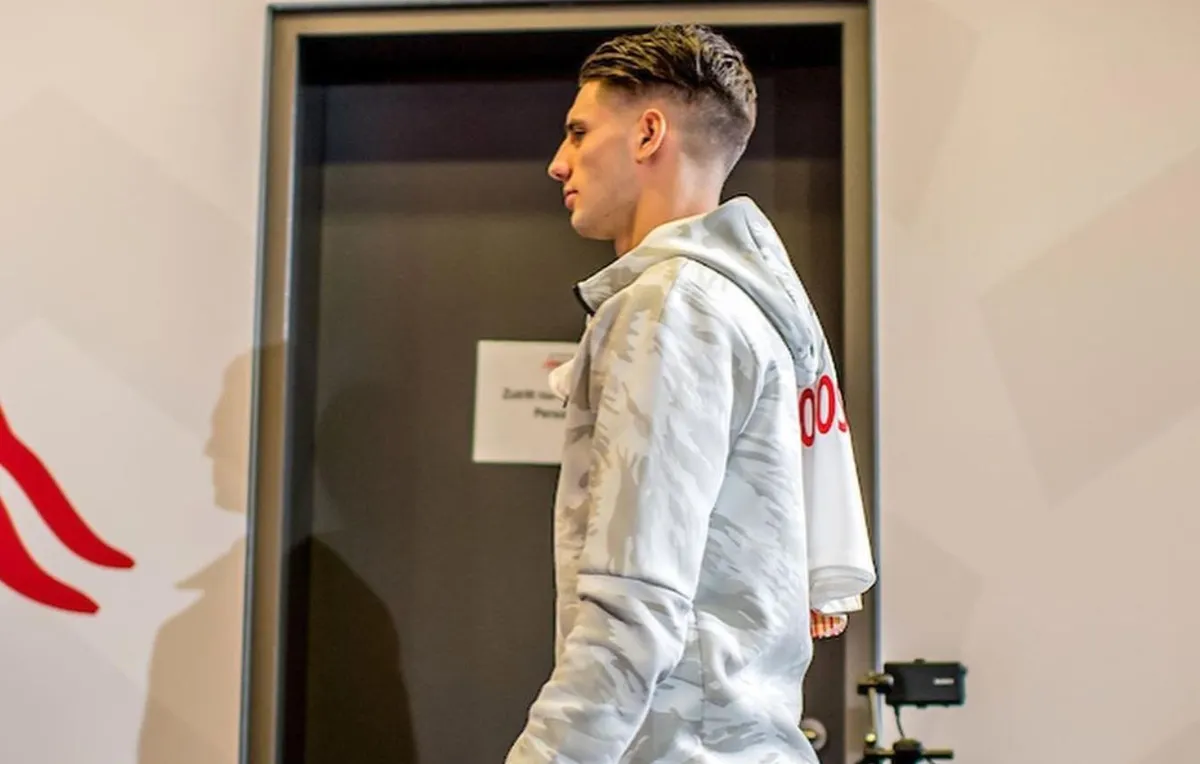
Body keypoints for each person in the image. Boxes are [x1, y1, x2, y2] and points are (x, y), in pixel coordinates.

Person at [505, 24, 876, 763]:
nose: (558, 163)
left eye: (579, 132)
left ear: (648, 134)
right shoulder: (752, 305)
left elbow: (633, 603)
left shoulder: (669, 305)